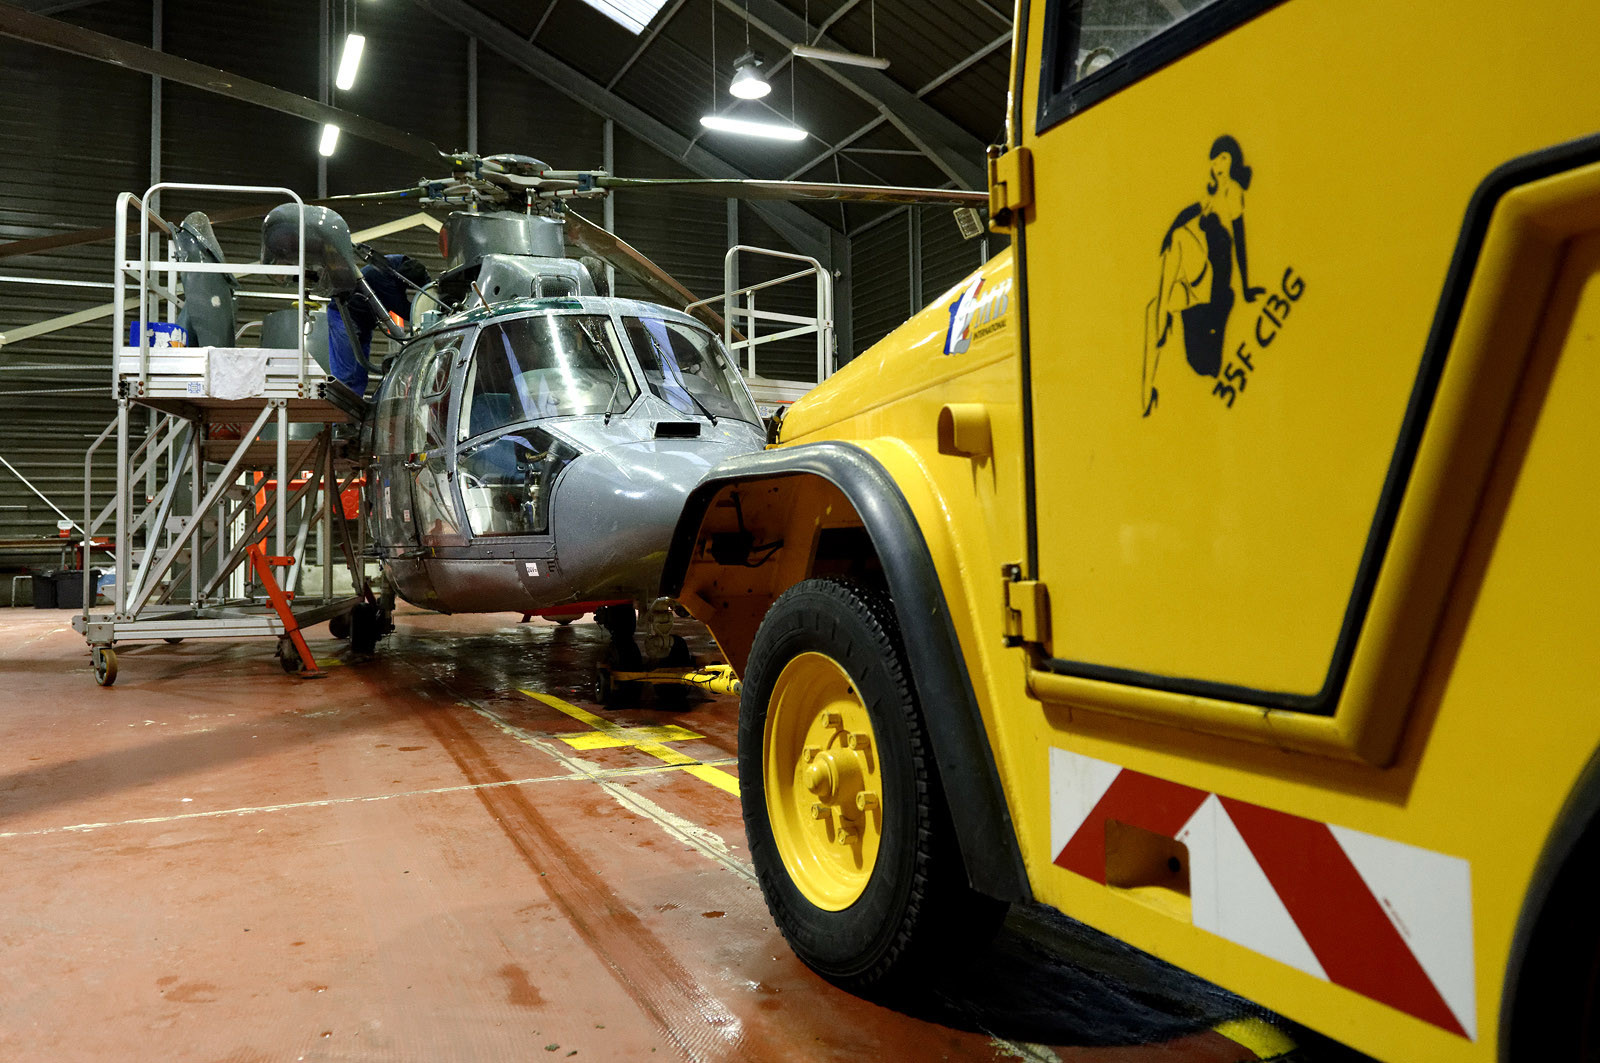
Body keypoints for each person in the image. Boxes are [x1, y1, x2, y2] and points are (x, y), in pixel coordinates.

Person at [1142, 135, 1265, 415]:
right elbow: (1191, 212)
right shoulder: (1204, 199)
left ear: (1232, 160)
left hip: (1214, 278)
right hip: (1199, 276)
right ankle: (1151, 378)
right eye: (1215, 158)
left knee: (1206, 364)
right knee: (1198, 360)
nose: (1217, 164)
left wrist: (1246, 287)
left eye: (1223, 157)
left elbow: (1240, 238)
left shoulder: (1232, 192)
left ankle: (1162, 334)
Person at [327, 254, 431, 394]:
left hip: (365, 321)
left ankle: (354, 411)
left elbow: (427, 287)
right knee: (345, 373)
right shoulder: (381, 275)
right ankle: (339, 408)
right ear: (401, 279)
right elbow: (404, 310)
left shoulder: (406, 264)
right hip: (344, 315)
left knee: (360, 374)